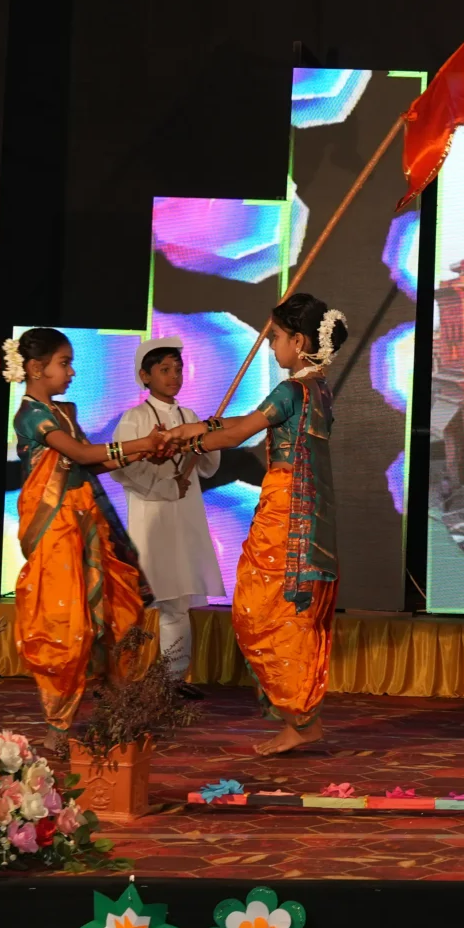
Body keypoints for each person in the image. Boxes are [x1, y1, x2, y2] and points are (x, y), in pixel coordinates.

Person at [161, 294, 346, 755]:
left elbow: (240, 433)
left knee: (263, 609)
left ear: (299, 342)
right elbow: (243, 422)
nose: (271, 345)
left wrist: (190, 441)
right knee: (284, 612)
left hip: (288, 507)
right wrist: (197, 429)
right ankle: (300, 717)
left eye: (277, 337)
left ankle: (300, 719)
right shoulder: (317, 388)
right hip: (303, 506)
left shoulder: (292, 390)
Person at [2, 326, 168, 735]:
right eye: (65, 363)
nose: (72, 372)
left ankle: (117, 707)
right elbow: (77, 453)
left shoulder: (62, 412)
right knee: (66, 622)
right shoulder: (33, 415)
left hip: (85, 521)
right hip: (55, 527)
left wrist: (144, 451)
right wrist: (139, 444)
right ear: (36, 369)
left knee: (115, 610)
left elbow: (89, 464)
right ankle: (58, 725)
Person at [111, 337, 226, 696]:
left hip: (184, 516)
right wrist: (165, 487)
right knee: (140, 598)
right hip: (151, 518)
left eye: (178, 369)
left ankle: (174, 680)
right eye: (164, 369)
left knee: (177, 601)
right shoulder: (135, 418)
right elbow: (123, 469)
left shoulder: (189, 416)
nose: (174, 376)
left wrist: (210, 435)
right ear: (145, 376)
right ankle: (117, 678)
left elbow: (207, 467)